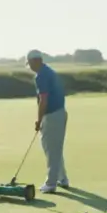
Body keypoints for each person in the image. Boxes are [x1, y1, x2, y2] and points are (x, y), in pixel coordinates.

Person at [26, 49, 69, 192]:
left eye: (30, 63)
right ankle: (62, 178)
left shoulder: (41, 76)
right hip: (59, 113)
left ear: (36, 61)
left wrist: (39, 120)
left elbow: (43, 100)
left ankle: (51, 183)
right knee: (55, 148)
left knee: (51, 150)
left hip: (52, 115)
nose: (30, 67)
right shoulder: (49, 72)